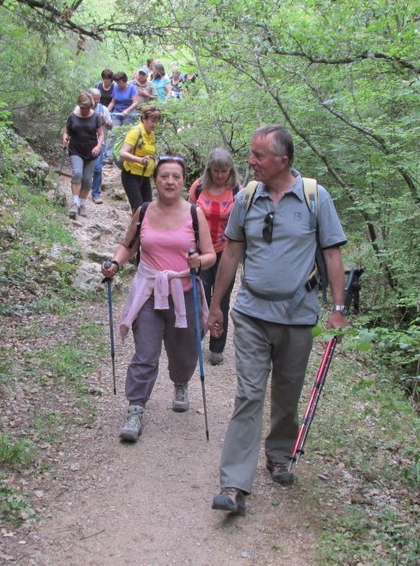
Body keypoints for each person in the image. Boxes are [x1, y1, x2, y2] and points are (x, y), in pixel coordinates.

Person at [207, 125, 348, 515]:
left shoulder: (315, 198)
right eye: (251, 154)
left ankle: (279, 455)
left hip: (298, 315)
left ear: (282, 162)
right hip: (251, 313)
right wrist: (215, 304)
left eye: (258, 156)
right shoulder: (247, 198)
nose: (250, 161)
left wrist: (338, 308)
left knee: (286, 393)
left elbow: (333, 254)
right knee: (249, 394)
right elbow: (231, 254)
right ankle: (234, 483)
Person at [101, 156, 216, 443]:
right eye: (164, 176)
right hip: (149, 291)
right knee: (146, 353)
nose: (170, 181)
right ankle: (136, 408)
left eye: (176, 177)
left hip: (184, 290)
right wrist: (114, 263)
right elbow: (128, 246)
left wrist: (197, 262)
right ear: (155, 180)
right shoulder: (143, 211)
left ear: (183, 181)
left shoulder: (194, 213)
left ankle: (180, 382)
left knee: (185, 352)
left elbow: (211, 254)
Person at [188, 148, 241, 366]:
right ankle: (196, 337)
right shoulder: (198, 187)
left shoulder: (238, 190)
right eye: (216, 171)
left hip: (226, 252)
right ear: (209, 169)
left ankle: (217, 346)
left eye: (225, 171)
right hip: (201, 251)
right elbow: (188, 214)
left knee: (221, 299)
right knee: (199, 295)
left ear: (231, 171)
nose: (220, 175)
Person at [61, 92, 105, 220]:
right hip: (76, 150)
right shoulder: (72, 116)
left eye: (87, 107)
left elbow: (101, 134)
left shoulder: (96, 117)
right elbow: (67, 132)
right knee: (77, 174)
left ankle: (82, 204)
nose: (85, 110)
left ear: (91, 105)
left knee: (86, 180)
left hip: (91, 152)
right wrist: (65, 139)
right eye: (82, 107)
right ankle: (74, 204)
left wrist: (98, 146)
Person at [119, 105, 161, 213]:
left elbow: (151, 153)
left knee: (147, 209)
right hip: (131, 175)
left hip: (145, 176)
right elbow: (122, 154)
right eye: (152, 121)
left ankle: (142, 229)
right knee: (138, 209)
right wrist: (139, 160)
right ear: (144, 119)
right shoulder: (135, 131)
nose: (154, 124)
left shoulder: (151, 134)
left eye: (156, 121)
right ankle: (135, 229)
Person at [87, 87, 113, 204]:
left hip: (99, 142)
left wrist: (104, 121)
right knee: (84, 168)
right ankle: (81, 191)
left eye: (97, 101)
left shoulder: (103, 109)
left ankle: (96, 193)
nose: (95, 103)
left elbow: (110, 126)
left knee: (97, 168)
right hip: (84, 142)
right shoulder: (82, 108)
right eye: (94, 100)